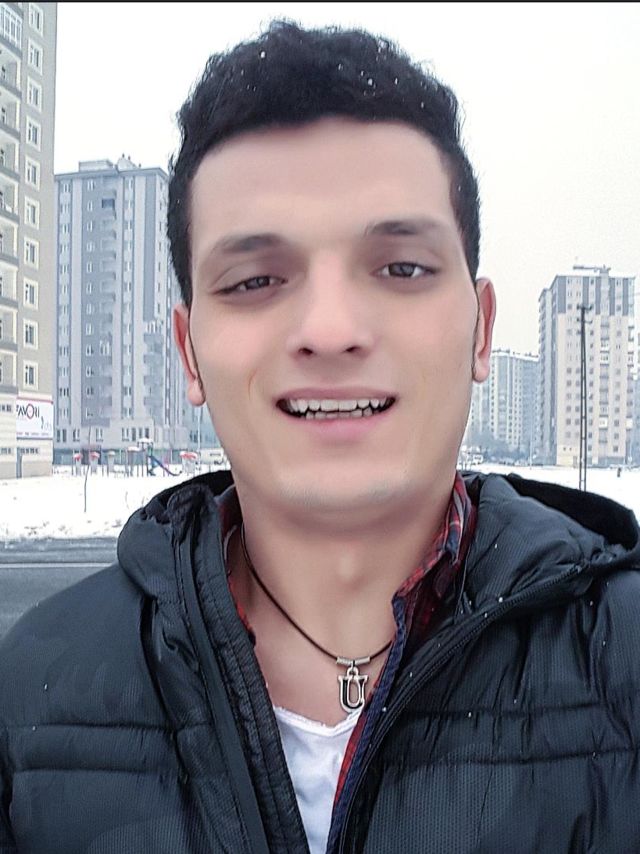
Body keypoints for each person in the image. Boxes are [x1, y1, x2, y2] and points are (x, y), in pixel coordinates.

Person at [2, 21, 640, 854]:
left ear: (482, 330)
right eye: (255, 280)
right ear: (189, 353)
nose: (331, 330)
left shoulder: (626, 658)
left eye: (401, 268)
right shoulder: (30, 699)